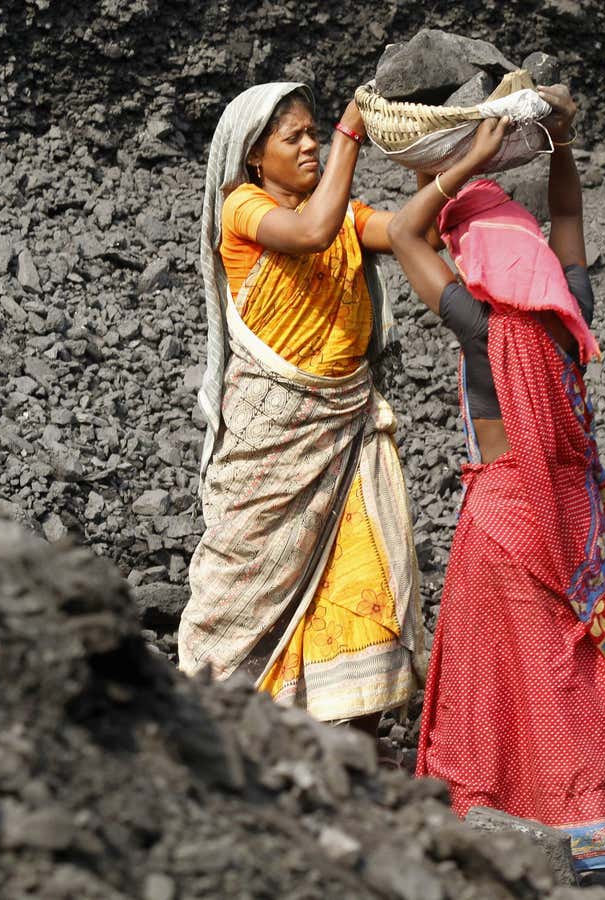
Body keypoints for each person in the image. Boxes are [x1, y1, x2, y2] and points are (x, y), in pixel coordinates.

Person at [387, 88, 605, 896]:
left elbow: (407, 229)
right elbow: (570, 221)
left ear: (473, 260)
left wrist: (468, 161)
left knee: (490, 692)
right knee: (580, 678)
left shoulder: (480, 324)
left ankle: (489, 847)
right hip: (574, 520)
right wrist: (558, 150)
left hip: (505, 525)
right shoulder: (569, 308)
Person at [179, 83, 422, 737]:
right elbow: (312, 234)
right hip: (275, 434)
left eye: (316, 133)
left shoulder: (342, 212)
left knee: (362, 583)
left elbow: (401, 232)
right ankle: (215, 736)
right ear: (256, 156)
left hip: (345, 434)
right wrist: (350, 134)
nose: (311, 145)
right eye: (296, 137)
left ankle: (355, 772)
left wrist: (452, 167)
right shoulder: (243, 209)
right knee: (239, 594)